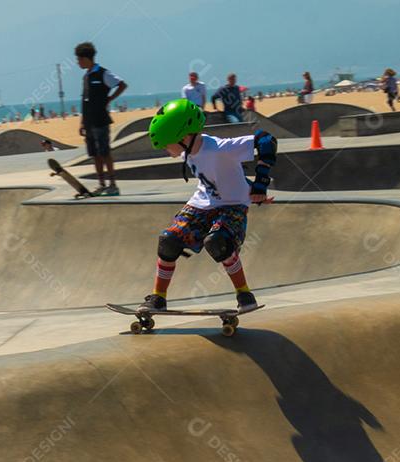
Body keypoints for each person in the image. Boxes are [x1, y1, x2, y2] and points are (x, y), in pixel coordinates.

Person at [138, 98, 276, 314]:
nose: (166, 149)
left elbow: (266, 140)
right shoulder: (190, 149)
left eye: (167, 143)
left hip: (232, 207)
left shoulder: (219, 148)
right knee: (168, 241)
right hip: (202, 204)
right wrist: (248, 186)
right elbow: (222, 177)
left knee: (218, 242)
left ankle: (244, 293)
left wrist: (260, 183)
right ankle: (158, 298)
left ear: (184, 137)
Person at [75, 41, 127, 196]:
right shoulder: (86, 77)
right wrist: (82, 122)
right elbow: (85, 100)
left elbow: (122, 85)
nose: (78, 62)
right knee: (94, 154)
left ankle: (113, 184)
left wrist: (110, 98)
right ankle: (101, 184)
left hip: (101, 121)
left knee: (104, 152)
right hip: (89, 123)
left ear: (86, 58)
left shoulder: (103, 73)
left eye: (79, 59)